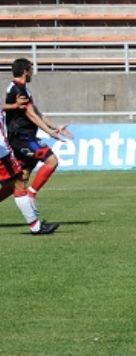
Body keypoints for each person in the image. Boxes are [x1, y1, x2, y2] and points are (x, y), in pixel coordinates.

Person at [5, 58, 71, 213]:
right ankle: (31, 195)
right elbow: (31, 115)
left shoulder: (23, 89)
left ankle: (29, 196)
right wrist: (49, 133)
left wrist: (56, 127)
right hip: (22, 138)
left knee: (17, 182)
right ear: (25, 71)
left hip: (24, 136)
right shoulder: (18, 89)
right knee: (51, 161)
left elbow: (37, 114)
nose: (32, 72)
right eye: (31, 69)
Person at [0, 91, 58, 234]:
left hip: (3, 152)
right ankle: (35, 227)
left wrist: (15, 105)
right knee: (19, 184)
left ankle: (35, 226)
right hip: (2, 154)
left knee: (11, 186)